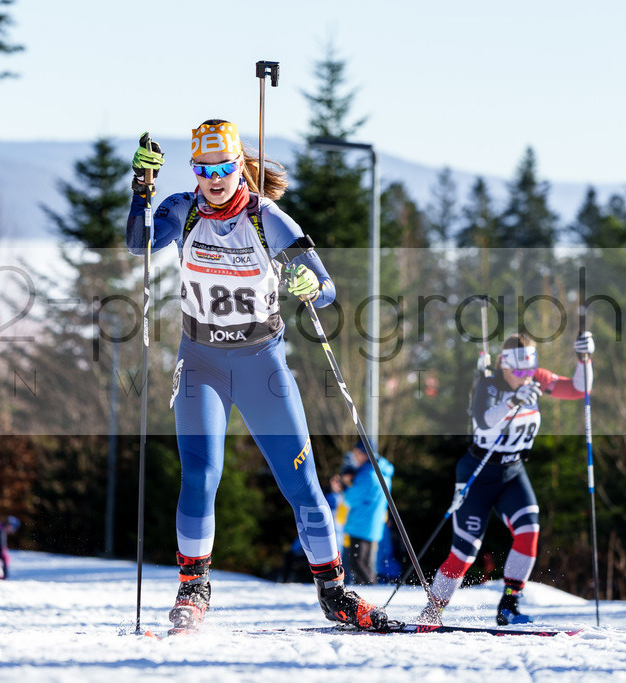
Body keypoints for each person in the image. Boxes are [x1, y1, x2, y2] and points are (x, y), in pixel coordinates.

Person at [126, 121, 388, 631]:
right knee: (201, 475)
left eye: (224, 168)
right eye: (204, 170)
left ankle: (334, 593)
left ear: (239, 166)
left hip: (261, 364)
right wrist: (141, 193)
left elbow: (327, 289)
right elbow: (139, 247)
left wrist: (308, 281)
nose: (215, 178)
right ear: (194, 172)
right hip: (201, 361)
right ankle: (193, 588)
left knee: (302, 483)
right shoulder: (180, 210)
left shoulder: (268, 220)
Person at [431, 331, 595, 625]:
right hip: (479, 471)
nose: (524, 376)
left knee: (529, 530)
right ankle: (433, 610)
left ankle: (509, 605)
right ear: (504, 366)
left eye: (528, 370)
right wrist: (513, 402)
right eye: (518, 371)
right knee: (465, 551)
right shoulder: (489, 384)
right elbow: (484, 420)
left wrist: (584, 360)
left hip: (512, 471)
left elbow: (579, 390)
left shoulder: (536, 379)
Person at [342, 438, 393, 585]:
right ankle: (369, 593)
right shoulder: (383, 470)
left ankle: (373, 592)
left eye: (356, 453)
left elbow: (350, 499)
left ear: (364, 453)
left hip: (361, 524)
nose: (354, 456)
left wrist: (346, 484)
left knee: (357, 564)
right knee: (365, 564)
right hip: (373, 523)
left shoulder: (367, 474)